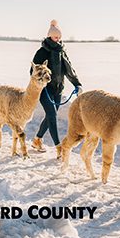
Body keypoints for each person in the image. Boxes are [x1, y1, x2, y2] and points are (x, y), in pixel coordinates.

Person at [31, 20, 82, 159]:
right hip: (44, 90)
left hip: (58, 89)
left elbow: (69, 69)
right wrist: (42, 81)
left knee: (50, 116)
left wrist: (77, 84)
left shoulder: (61, 51)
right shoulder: (42, 52)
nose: (58, 39)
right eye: (55, 37)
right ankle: (60, 148)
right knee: (52, 116)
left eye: (59, 37)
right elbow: (33, 70)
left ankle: (37, 140)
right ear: (49, 36)